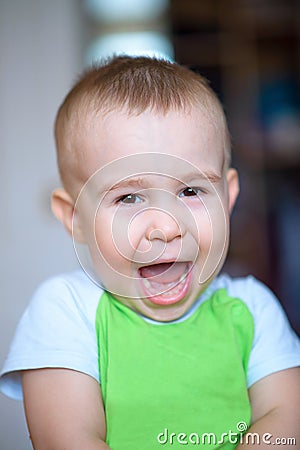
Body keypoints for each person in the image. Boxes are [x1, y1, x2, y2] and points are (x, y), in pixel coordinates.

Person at [1, 56, 300, 450]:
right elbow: (66, 438)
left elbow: (286, 421)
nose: (167, 226)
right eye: (128, 197)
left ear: (227, 198)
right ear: (75, 218)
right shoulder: (65, 311)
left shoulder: (254, 310)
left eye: (191, 191)